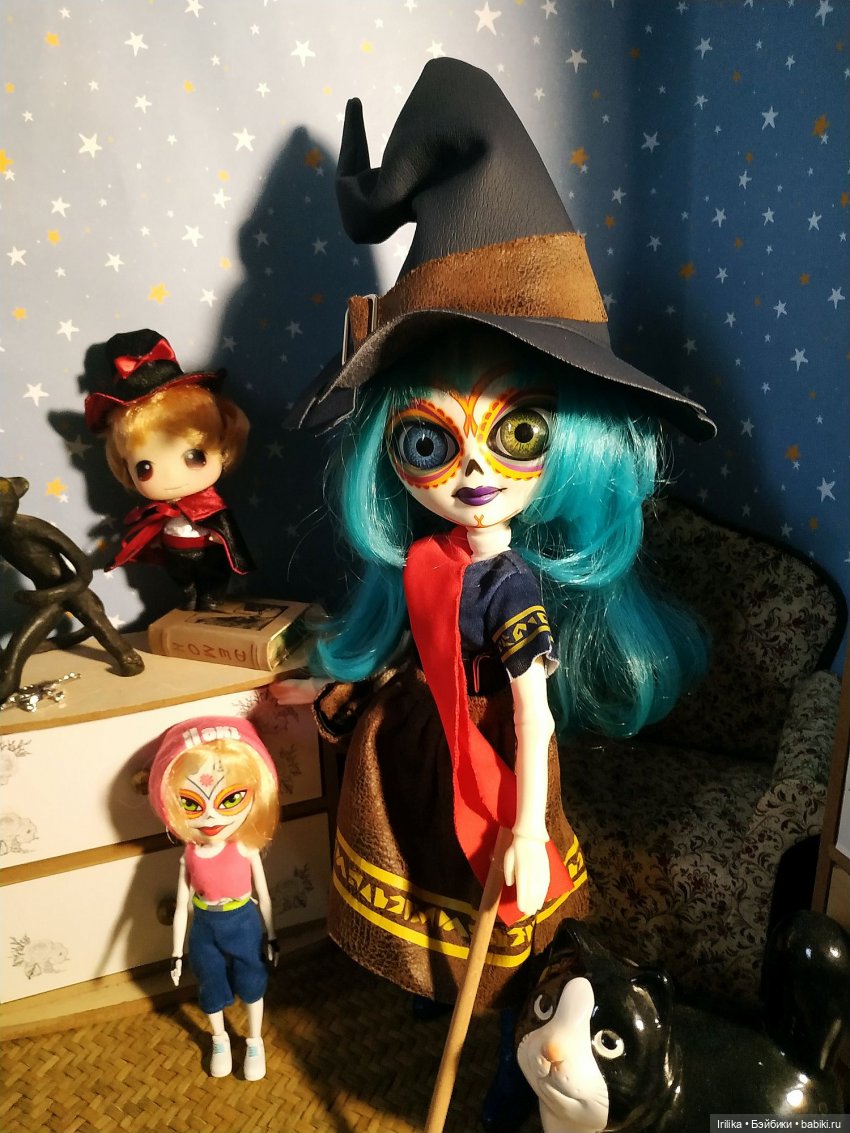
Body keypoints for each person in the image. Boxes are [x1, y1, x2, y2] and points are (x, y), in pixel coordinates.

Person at [279, 58, 715, 1131]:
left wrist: (525, 825)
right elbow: (419, 628)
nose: (472, 470)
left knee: (500, 904)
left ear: (577, 449)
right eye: (429, 441)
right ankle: (444, 994)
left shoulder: (513, 586)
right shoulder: (435, 556)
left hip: (496, 761)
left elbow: (533, 710)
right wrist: (347, 682)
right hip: (427, 737)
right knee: (425, 871)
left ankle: (508, 1053)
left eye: (518, 432)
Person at [148, 716, 280, 1081]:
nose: (210, 815)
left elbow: (264, 895)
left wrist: (272, 935)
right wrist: (176, 953)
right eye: (191, 803)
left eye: (231, 799)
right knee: (209, 983)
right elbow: (181, 908)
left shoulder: (246, 848)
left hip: (243, 920)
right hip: (205, 925)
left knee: (252, 980)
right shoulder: (189, 856)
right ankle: (220, 1038)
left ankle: (254, 1040)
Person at [84, 329, 254, 611]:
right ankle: (189, 594)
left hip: (207, 554)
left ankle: (210, 597)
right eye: (144, 468)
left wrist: (218, 537)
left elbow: (229, 536)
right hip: (176, 555)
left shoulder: (212, 508)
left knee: (211, 577)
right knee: (181, 578)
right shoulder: (157, 513)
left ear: (223, 445)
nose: (172, 478)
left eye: (194, 457)